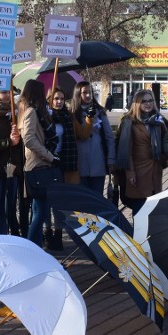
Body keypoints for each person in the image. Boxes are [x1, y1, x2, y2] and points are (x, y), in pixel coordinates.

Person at [18, 79, 59, 248]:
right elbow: (29, 139)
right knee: (41, 212)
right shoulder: (31, 112)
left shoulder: (26, 110)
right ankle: (31, 247)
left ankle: (32, 245)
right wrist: (49, 156)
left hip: (35, 165)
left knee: (37, 211)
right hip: (38, 165)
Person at [115, 89, 168, 215]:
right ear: (136, 103)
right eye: (143, 101)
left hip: (155, 169)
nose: (148, 104)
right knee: (139, 211)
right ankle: (137, 235)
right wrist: (130, 173)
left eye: (150, 100)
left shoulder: (159, 120)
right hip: (137, 171)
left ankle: (151, 235)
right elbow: (126, 151)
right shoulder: (129, 122)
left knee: (153, 209)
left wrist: (163, 158)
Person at [44, 86, 77, 250]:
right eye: (55, 99)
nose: (59, 102)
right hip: (46, 161)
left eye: (62, 99)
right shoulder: (44, 115)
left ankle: (58, 232)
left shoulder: (66, 116)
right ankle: (47, 231)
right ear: (49, 100)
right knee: (47, 201)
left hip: (62, 162)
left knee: (59, 201)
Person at [0, 89, 22, 236]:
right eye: (3, 92)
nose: (8, 95)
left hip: (11, 166)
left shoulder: (14, 113)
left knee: (9, 206)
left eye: (9, 92)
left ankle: (3, 238)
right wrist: (8, 142)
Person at [71, 81, 115, 196]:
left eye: (90, 92)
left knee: (97, 200)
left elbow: (109, 137)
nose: (88, 95)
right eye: (84, 92)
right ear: (78, 94)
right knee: (82, 202)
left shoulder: (100, 112)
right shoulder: (73, 114)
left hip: (98, 163)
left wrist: (111, 159)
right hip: (80, 165)